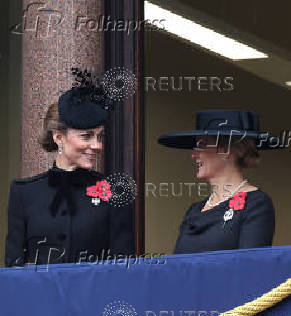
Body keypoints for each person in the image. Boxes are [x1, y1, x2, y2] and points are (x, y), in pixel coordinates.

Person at [5, 68, 135, 267]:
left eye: (100, 136)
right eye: (86, 136)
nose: (97, 145)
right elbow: (14, 269)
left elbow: (123, 269)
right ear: (59, 137)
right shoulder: (24, 193)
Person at [158, 109, 280, 254]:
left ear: (225, 149)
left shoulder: (255, 204)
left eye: (201, 145)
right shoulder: (194, 211)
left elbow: (250, 268)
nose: (193, 155)